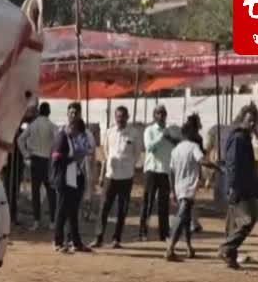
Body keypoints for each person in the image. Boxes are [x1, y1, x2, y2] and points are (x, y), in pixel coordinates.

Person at [218, 104, 258, 270]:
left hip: (244, 186)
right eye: (250, 121)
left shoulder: (245, 138)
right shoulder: (238, 139)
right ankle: (226, 248)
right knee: (248, 220)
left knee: (233, 224)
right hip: (239, 188)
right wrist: (232, 187)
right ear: (242, 119)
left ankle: (230, 257)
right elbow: (232, 165)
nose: (252, 124)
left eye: (254, 121)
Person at [94, 105, 142, 249]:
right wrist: (103, 174)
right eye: (118, 116)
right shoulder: (109, 132)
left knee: (122, 209)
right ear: (115, 117)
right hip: (111, 175)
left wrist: (128, 166)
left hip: (126, 177)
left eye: (122, 116)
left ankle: (116, 239)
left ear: (127, 117)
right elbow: (106, 153)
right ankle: (98, 238)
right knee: (104, 208)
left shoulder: (134, 133)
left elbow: (137, 154)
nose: (120, 119)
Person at [50, 107, 93, 253]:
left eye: (76, 114)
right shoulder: (61, 136)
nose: (76, 131)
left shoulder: (81, 136)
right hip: (63, 179)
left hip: (76, 177)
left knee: (74, 212)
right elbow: (55, 157)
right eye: (71, 113)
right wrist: (71, 158)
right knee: (61, 211)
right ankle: (58, 242)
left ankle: (76, 242)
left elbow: (88, 150)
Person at [167, 114, 205, 261]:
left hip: (179, 186)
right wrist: (216, 167)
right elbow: (202, 160)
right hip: (189, 187)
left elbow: (171, 171)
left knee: (186, 217)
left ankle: (189, 247)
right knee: (182, 217)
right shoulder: (195, 145)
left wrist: (172, 190)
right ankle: (170, 248)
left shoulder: (176, 149)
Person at [18, 101, 58, 230]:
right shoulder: (53, 126)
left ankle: (36, 221)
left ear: (39, 111)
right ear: (49, 112)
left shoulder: (32, 125)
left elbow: (20, 139)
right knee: (51, 192)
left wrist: (25, 154)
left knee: (35, 192)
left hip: (35, 160)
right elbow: (58, 142)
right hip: (48, 161)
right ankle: (52, 221)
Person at [140, 104, 176, 242]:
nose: (161, 116)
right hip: (152, 170)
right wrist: (162, 137)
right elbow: (149, 147)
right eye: (158, 113)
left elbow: (174, 148)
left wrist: (171, 138)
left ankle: (164, 233)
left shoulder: (169, 132)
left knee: (164, 204)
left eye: (163, 113)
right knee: (147, 202)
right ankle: (143, 232)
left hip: (165, 171)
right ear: (154, 116)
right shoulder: (149, 130)